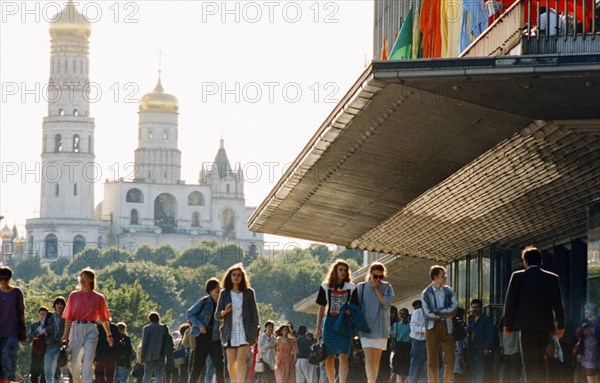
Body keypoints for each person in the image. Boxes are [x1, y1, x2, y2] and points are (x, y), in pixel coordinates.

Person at [503, 245, 565, 383]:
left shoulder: (518, 277)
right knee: (541, 357)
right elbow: (558, 304)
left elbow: (510, 302)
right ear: (540, 261)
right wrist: (560, 325)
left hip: (525, 326)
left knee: (529, 360)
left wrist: (507, 324)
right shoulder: (552, 278)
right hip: (545, 325)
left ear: (525, 261)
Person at [60, 268, 113, 383]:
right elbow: (69, 317)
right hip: (76, 328)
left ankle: (87, 381)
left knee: (88, 359)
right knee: (74, 363)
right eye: (81, 277)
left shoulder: (98, 298)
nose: (82, 280)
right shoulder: (73, 296)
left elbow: (104, 318)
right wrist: (65, 335)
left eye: (86, 278)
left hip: (91, 328)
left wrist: (109, 335)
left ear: (91, 280)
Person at [214, 263, 260, 383]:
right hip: (229, 331)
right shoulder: (224, 293)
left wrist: (254, 331)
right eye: (233, 275)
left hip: (245, 332)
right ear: (230, 277)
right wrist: (225, 312)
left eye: (239, 275)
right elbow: (217, 315)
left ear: (242, 277)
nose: (236, 277)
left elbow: (255, 314)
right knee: (231, 362)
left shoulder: (249, 292)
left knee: (241, 361)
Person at [315, 260, 356, 383]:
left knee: (344, 355)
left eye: (345, 270)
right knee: (329, 356)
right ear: (335, 271)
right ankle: (331, 381)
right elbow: (321, 307)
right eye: (340, 269)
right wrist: (317, 327)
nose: (343, 272)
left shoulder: (352, 287)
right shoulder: (325, 286)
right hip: (330, 323)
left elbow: (355, 306)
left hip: (344, 323)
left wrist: (350, 311)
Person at [352, 262, 395, 383]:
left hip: (381, 328)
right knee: (369, 358)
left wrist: (376, 289)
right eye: (375, 276)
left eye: (380, 277)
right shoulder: (361, 287)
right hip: (366, 328)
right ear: (370, 274)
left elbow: (386, 303)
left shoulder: (387, 287)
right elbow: (356, 307)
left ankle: (372, 380)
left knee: (376, 360)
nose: (378, 279)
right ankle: (370, 381)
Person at [420, 265, 458, 383]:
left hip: (448, 326)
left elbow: (454, 308)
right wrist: (444, 313)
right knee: (432, 361)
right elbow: (427, 314)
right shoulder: (426, 293)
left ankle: (447, 381)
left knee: (450, 358)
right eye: (442, 275)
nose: (445, 277)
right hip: (432, 328)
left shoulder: (449, 291)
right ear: (435, 277)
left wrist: (438, 311)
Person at [187, 277, 225, 383]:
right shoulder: (204, 301)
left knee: (220, 366)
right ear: (210, 290)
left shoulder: (222, 303)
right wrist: (199, 325)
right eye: (214, 288)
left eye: (218, 287)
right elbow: (189, 314)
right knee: (197, 366)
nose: (217, 289)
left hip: (216, 336)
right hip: (203, 335)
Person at [0, 266, 26, 383]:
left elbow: (21, 313)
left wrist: (23, 329)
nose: (3, 281)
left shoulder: (16, 292)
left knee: (8, 358)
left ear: (9, 278)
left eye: (5, 278)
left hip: (12, 332)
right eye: (0, 279)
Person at [466, 299, 495, 383]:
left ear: (481, 308)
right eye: (473, 307)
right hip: (471, 346)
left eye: (477, 307)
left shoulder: (486, 320)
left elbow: (489, 335)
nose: (475, 309)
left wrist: (487, 347)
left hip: (480, 347)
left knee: (480, 368)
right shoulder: (471, 319)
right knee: (473, 368)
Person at [140, 311, 169, 383]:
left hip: (148, 354)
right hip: (160, 354)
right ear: (158, 318)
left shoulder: (146, 328)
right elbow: (166, 342)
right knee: (159, 374)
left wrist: (142, 355)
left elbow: (144, 343)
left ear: (149, 319)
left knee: (147, 374)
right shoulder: (163, 328)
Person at [43, 297, 67, 383]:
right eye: (58, 304)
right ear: (55, 305)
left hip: (60, 345)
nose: (59, 306)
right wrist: (44, 331)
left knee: (56, 368)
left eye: (61, 304)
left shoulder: (66, 317)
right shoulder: (49, 316)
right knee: (48, 369)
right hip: (49, 344)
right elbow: (41, 327)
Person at [575, 303, 600, 382]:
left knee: (597, 372)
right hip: (587, 352)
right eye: (585, 310)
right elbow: (577, 335)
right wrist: (581, 328)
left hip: (597, 350)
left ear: (593, 311)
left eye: (587, 310)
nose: (585, 311)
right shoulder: (583, 321)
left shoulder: (599, 321)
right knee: (589, 372)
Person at [408, 300, 427, 383]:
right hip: (418, 342)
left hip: (429, 343)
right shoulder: (417, 312)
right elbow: (414, 328)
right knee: (415, 368)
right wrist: (426, 330)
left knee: (426, 369)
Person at [29, 306, 49, 383]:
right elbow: (30, 337)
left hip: (46, 351)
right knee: (34, 374)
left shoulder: (49, 326)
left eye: (45, 315)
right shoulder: (34, 325)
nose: (43, 316)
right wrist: (37, 331)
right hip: (35, 352)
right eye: (42, 314)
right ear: (39, 315)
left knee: (44, 374)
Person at [392, 308, 411, 383]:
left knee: (407, 367)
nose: (402, 315)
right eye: (400, 314)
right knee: (398, 368)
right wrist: (394, 347)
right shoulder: (396, 325)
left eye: (403, 313)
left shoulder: (410, 325)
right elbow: (395, 337)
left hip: (408, 347)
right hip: (399, 346)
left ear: (407, 314)